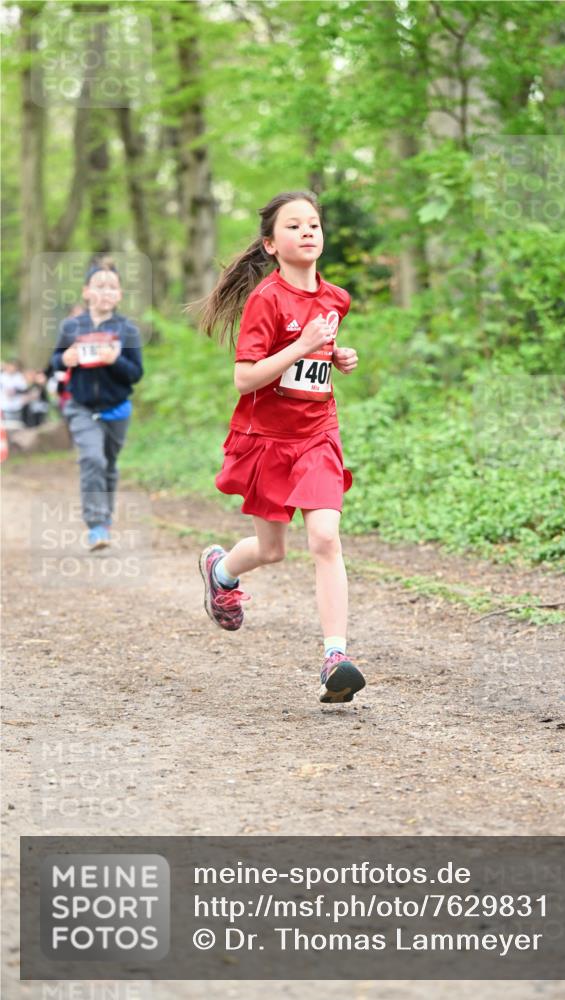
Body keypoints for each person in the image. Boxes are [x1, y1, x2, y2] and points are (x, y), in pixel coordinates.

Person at [197, 190, 366, 705]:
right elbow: (245, 378)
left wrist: (337, 356)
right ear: (271, 244)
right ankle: (220, 571)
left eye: (313, 224)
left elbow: (316, 358)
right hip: (267, 439)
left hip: (317, 434)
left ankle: (335, 656)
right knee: (271, 549)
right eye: (293, 226)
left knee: (324, 538)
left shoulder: (336, 299)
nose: (308, 232)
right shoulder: (266, 300)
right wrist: (301, 347)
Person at [50, 261, 143, 550]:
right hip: (80, 406)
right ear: (86, 292)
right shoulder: (71, 327)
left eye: (112, 287)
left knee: (109, 467)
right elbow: (54, 361)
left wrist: (114, 359)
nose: (105, 292)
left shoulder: (127, 330)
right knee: (93, 460)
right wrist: (64, 360)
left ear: (119, 295)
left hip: (116, 408)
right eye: (99, 286)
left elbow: (135, 373)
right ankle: (96, 526)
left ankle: (105, 520)